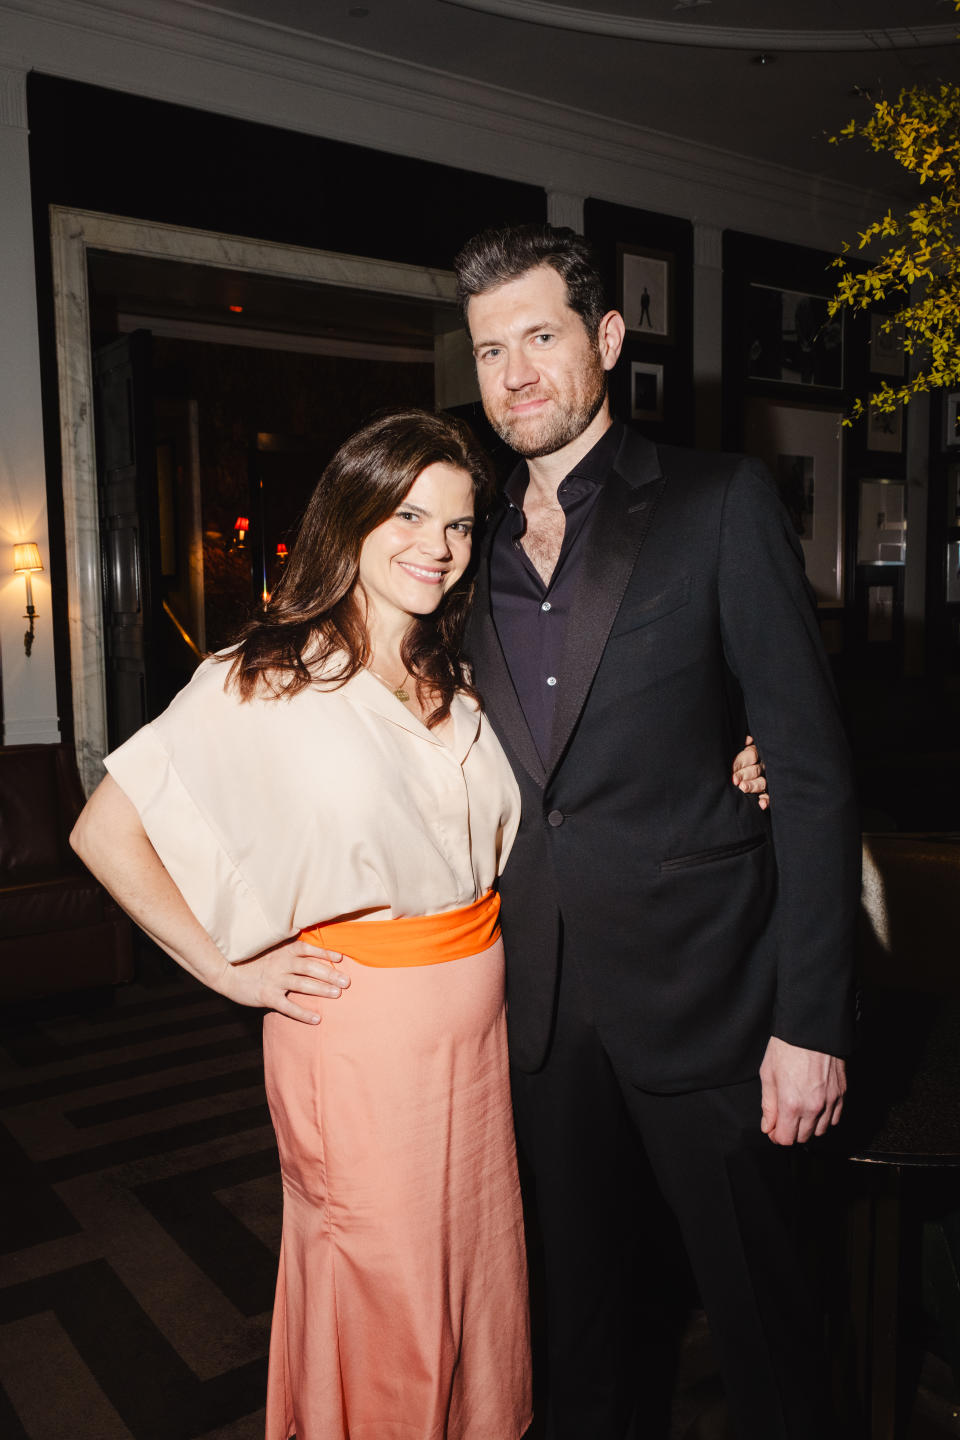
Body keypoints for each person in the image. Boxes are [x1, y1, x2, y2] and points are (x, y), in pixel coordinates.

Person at [453, 224, 860, 1440]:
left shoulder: (715, 500)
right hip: (535, 1019)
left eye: (540, 335)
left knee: (767, 1331)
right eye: (489, 350)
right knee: (576, 1338)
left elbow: (814, 769)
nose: (516, 372)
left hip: (717, 1004)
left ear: (608, 340)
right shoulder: (453, 541)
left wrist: (812, 1022)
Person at [69, 409, 534, 1440]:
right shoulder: (269, 674)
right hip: (357, 1047)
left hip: (478, 1044)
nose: (438, 548)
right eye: (408, 515)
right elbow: (105, 830)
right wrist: (227, 968)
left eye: (460, 527)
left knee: (474, 1281)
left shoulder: (460, 683)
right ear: (352, 517)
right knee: (385, 1295)